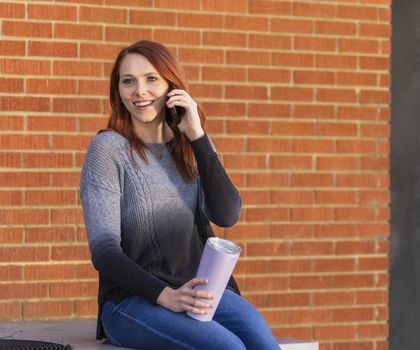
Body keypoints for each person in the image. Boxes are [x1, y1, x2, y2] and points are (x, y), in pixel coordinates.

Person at [80, 40, 280, 350]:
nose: (139, 92)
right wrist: (166, 296)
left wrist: (198, 136)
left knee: (264, 346)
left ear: (171, 86)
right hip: (132, 302)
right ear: (117, 90)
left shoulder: (190, 143)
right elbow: (104, 251)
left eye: (151, 79)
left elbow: (227, 214)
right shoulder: (108, 150)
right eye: (128, 81)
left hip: (202, 291)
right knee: (227, 348)